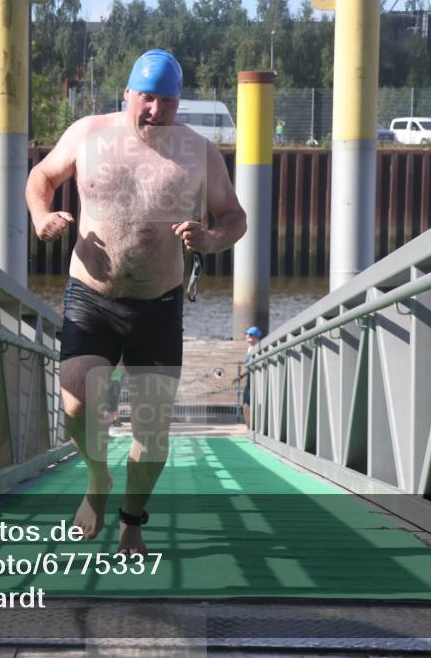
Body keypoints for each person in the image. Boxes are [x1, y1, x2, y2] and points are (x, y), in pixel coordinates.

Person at [26, 49, 246, 554]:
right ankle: (97, 477)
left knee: (151, 431)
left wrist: (211, 239)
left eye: (166, 101)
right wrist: (42, 217)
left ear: (178, 103)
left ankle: (131, 520)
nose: (154, 110)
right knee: (77, 397)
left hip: (158, 304)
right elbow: (42, 177)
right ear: (127, 93)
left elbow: (234, 214)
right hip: (92, 296)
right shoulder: (89, 133)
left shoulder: (199, 152)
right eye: (145, 98)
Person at [241, 326, 262, 427]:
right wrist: (241, 376)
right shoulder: (250, 349)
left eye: (250, 335)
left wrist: (241, 375)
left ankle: (251, 427)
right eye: (247, 334)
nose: (247, 336)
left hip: (255, 378)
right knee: (245, 403)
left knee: (248, 404)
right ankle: (249, 427)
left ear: (256, 337)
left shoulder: (257, 348)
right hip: (250, 378)